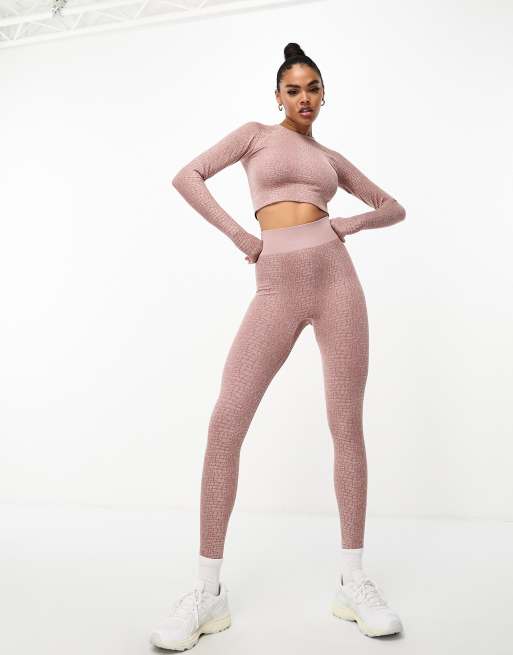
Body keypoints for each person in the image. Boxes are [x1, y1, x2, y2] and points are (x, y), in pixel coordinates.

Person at [150, 42, 406, 650]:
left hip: (338, 283)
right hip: (275, 287)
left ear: (324, 94)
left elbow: (393, 207)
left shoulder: (332, 159)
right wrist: (242, 237)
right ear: (278, 96)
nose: (304, 98)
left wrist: (348, 222)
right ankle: (207, 591)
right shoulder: (256, 136)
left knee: (346, 425)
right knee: (226, 421)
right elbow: (188, 176)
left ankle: (353, 581)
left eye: (313, 88)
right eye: (294, 89)